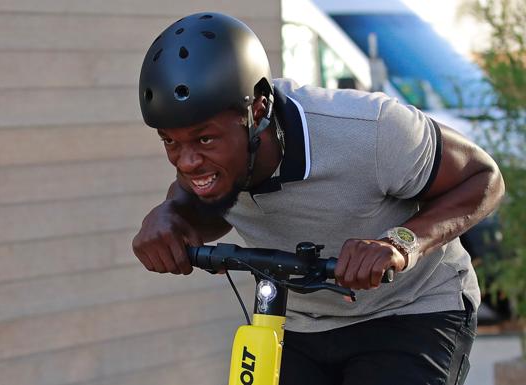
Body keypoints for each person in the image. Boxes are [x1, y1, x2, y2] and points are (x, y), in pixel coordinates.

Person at [132, 12, 504, 385]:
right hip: (299, 323)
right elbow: (202, 200)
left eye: (204, 139)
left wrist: (400, 243)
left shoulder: (370, 131)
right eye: (170, 141)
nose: (187, 161)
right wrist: (170, 217)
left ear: (257, 110)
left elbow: (483, 178)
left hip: (411, 310)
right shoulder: (211, 165)